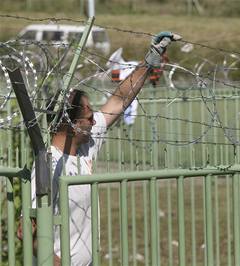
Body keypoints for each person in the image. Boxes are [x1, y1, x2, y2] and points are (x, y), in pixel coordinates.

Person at [23, 31, 181, 266]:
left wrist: (150, 59)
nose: (95, 120)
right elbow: (26, 233)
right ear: (71, 125)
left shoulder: (85, 145)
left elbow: (119, 99)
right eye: (88, 116)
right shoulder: (49, 165)